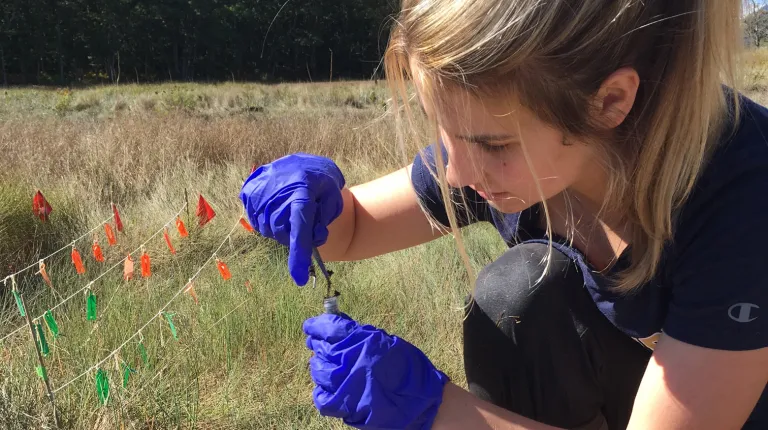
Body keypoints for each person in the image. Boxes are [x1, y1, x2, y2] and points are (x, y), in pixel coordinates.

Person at [240, 1, 768, 429]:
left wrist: (437, 410)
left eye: (491, 144)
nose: (455, 174)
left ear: (608, 102)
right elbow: (350, 232)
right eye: (442, 128)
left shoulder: (744, 199)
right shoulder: (507, 149)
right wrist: (311, 207)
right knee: (521, 297)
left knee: (514, 292)